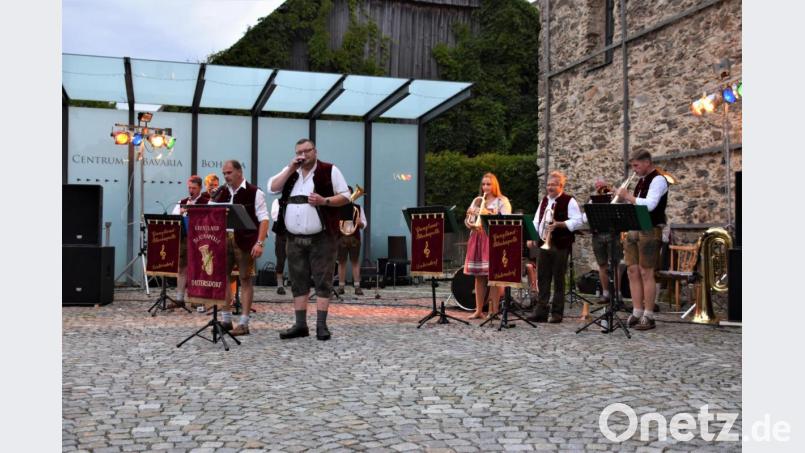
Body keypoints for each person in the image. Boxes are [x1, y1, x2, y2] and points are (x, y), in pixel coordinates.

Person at [268, 138, 351, 341]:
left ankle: (321, 326)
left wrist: (325, 201)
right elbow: (272, 188)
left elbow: (347, 196)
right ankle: (300, 325)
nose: (303, 155)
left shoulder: (329, 170)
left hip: (322, 237)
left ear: (315, 151)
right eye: (299, 152)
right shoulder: (291, 172)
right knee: (297, 280)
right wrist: (289, 168)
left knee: (323, 280)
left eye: (307, 151)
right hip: (294, 238)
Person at [212, 160, 269, 336]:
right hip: (222, 239)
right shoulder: (221, 192)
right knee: (223, 278)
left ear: (239, 172)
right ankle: (226, 319)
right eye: (224, 174)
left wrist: (259, 243)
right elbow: (211, 214)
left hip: (244, 240)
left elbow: (264, 219)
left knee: (245, 279)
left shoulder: (254, 192)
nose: (226, 176)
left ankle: (244, 322)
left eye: (229, 173)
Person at [615, 150, 670, 331]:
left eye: (636, 165)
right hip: (634, 228)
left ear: (647, 162)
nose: (634, 169)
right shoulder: (641, 181)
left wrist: (628, 197)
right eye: (633, 166)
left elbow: (651, 204)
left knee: (647, 272)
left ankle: (649, 314)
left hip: (649, 229)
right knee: (632, 271)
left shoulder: (659, 179)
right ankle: (637, 311)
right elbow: (636, 204)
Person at [527, 170, 583, 324]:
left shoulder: (569, 200)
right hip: (544, 244)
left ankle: (557, 313)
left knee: (558, 279)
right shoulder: (544, 200)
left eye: (553, 185)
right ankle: (541, 311)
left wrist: (560, 224)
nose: (550, 188)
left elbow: (578, 221)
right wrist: (533, 236)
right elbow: (537, 220)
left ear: (561, 186)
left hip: (560, 244)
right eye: (548, 185)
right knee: (543, 278)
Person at [463, 173, 512, 320]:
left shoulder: (502, 201)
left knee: (494, 276)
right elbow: (468, 222)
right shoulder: (477, 201)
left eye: (489, 184)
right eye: (483, 184)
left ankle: (494, 310)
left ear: (495, 185)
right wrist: (469, 219)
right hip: (477, 238)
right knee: (479, 276)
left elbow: (505, 220)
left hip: (493, 239)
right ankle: (479, 310)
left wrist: (485, 213)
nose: (485, 187)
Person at [579, 178, 623, 322]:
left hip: (613, 235)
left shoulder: (614, 199)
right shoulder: (593, 201)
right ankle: (605, 294)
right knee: (602, 265)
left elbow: (621, 214)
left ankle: (617, 293)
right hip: (597, 235)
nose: (600, 189)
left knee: (615, 264)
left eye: (602, 186)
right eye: (598, 187)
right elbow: (585, 218)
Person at [171, 175, 210, 308]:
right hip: (184, 238)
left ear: (200, 188)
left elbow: (210, 220)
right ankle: (179, 298)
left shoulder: (206, 201)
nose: (191, 190)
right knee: (182, 267)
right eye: (189, 187)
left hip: (199, 240)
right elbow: (173, 219)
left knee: (198, 268)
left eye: (194, 188)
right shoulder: (182, 201)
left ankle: (197, 298)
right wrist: (180, 213)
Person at [336, 186, 367, 296]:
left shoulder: (358, 208)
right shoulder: (338, 208)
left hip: (354, 238)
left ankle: (357, 287)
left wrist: (360, 223)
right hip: (341, 238)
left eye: (350, 194)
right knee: (342, 262)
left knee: (355, 262)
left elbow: (364, 224)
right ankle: (341, 286)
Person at [270, 199, 288, 295]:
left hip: (294, 233)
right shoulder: (277, 201)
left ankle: (296, 284)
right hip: (281, 233)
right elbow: (275, 217)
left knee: (296, 260)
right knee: (280, 259)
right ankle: (280, 285)